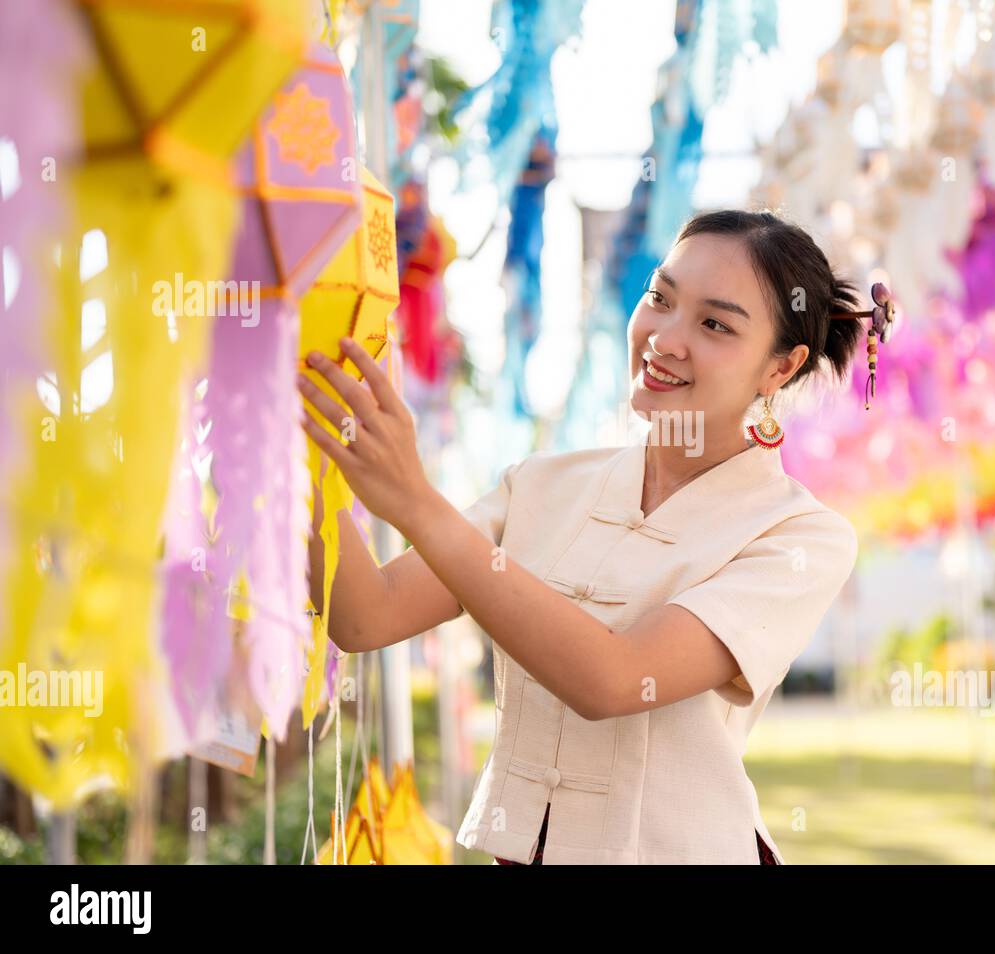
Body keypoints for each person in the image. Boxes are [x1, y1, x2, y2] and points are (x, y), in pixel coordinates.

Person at [301, 209, 871, 864]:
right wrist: (302, 444)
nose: (665, 338)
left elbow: (614, 680)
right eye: (660, 299)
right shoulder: (542, 483)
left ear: (781, 367)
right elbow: (365, 615)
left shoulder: (800, 535)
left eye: (714, 324)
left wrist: (415, 503)